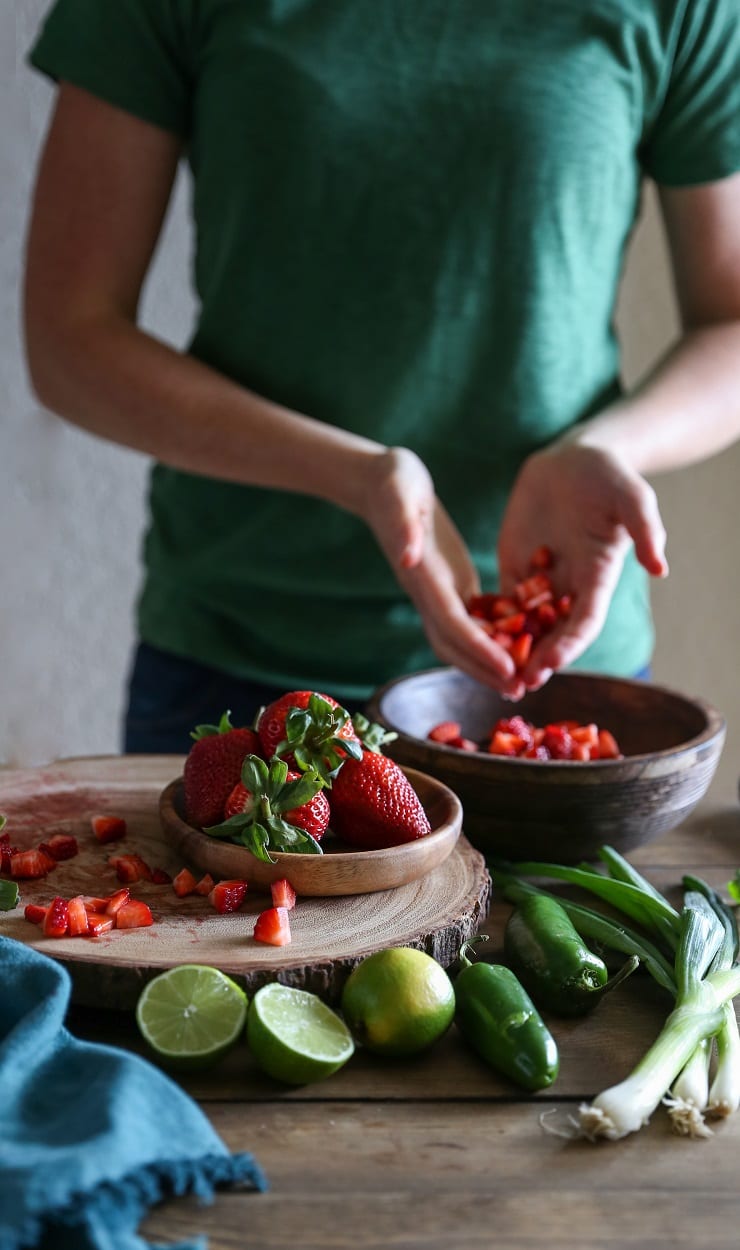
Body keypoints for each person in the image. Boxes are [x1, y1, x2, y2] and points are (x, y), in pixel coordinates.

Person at [23, 0, 740, 754]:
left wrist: (612, 446)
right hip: (241, 659)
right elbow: (72, 339)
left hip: (549, 678)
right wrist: (352, 473)